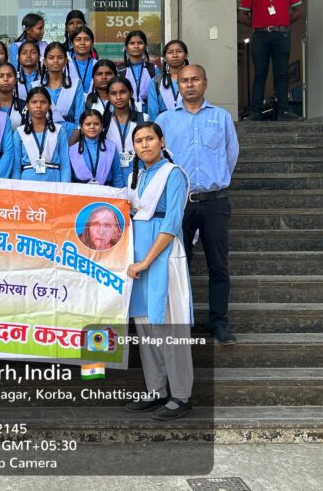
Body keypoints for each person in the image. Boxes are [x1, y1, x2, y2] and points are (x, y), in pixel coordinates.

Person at [155, 65, 239, 345]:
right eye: (184, 81)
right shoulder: (165, 120)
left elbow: (231, 155)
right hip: (180, 203)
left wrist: (214, 182)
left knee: (218, 265)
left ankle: (219, 322)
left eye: (195, 80)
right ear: (177, 85)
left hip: (215, 201)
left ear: (205, 83)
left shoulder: (221, 117)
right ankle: (181, 322)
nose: (189, 85)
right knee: (179, 265)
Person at [123, 121, 195, 421]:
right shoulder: (136, 176)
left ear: (162, 141)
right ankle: (156, 389)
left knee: (169, 324)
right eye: (138, 140)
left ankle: (181, 394)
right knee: (146, 326)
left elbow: (172, 223)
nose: (144, 144)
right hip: (138, 254)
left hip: (162, 254)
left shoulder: (173, 173)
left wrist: (146, 261)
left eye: (150, 138)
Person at [239, 0, 303, 120]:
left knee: (282, 73)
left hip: (282, 35)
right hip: (260, 36)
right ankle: (255, 113)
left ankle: (284, 111)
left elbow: (298, 11)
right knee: (260, 73)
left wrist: (284, 23)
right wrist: (257, 25)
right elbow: (241, 15)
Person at [12, 87, 72, 182]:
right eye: (34, 102)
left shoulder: (59, 131)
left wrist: (65, 186)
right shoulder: (19, 133)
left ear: (49, 105)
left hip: (53, 180)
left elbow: (65, 164)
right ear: (27, 105)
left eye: (43, 102)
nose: (38, 106)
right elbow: (16, 167)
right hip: (27, 181)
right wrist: (16, 187)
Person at [104, 76, 147, 188]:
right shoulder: (104, 123)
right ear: (108, 96)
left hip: (140, 178)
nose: (118, 97)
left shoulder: (143, 119)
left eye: (123, 92)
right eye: (113, 93)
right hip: (112, 181)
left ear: (131, 93)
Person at [69, 110, 121, 187]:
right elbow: (69, 178)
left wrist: (119, 193)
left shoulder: (111, 147)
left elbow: (117, 176)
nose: (92, 127)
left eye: (96, 124)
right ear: (81, 127)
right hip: (80, 191)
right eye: (88, 124)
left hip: (106, 191)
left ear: (102, 126)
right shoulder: (72, 150)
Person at [148, 40, 189, 121]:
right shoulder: (156, 80)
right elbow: (153, 112)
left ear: (185, 55)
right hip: (163, 124)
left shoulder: (192, 79)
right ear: (164, 58)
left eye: (179, 51)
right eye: (170, 52)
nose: (175, 55)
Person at [41, 41, 80, 124]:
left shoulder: (76, 84)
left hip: (70, 130)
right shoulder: (36, 85)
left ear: (66, 61)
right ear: (45, 62)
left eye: (60, 57)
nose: (55, 61)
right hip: (44, 130)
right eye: (51, 58)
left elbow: (79, 117)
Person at [119, 30, 155, 113]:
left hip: (148, 111)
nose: (136, 46)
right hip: (126, 111)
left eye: (140, 43)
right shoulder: (120, 69)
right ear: (126, 47)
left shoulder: (153, 69)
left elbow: (157, 95)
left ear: (145, 46)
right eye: (132, 43)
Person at [0, 62, 26, 129]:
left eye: (9, 76)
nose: (5, 79)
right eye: (1, 76)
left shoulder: (24, 106)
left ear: (16, 80)